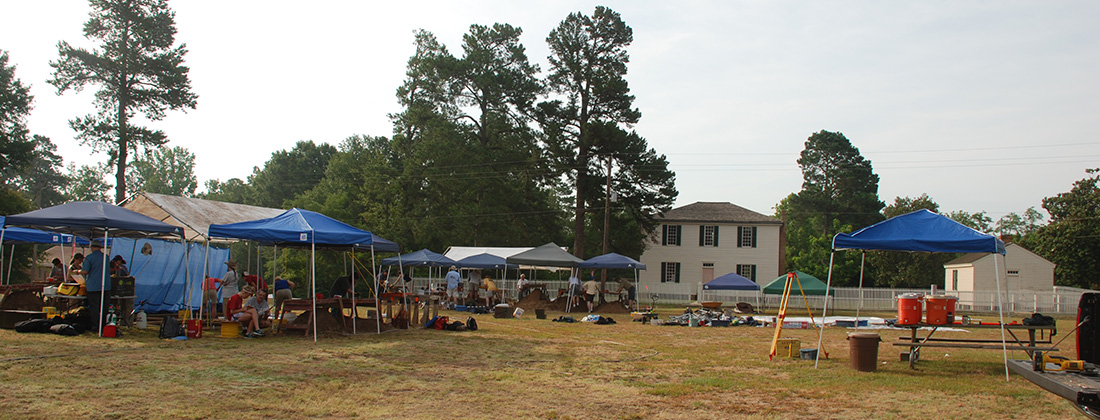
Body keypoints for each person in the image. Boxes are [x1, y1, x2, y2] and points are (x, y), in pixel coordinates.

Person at [79, 242, 110, 331]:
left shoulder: (89, 258)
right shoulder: (106, 257)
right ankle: (104, 326)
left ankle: (95, 327)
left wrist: (78, 272)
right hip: (106, 285)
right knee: (104, 307)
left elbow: (85, 271)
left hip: (93, 286)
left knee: (94, 308)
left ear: (92, 247)